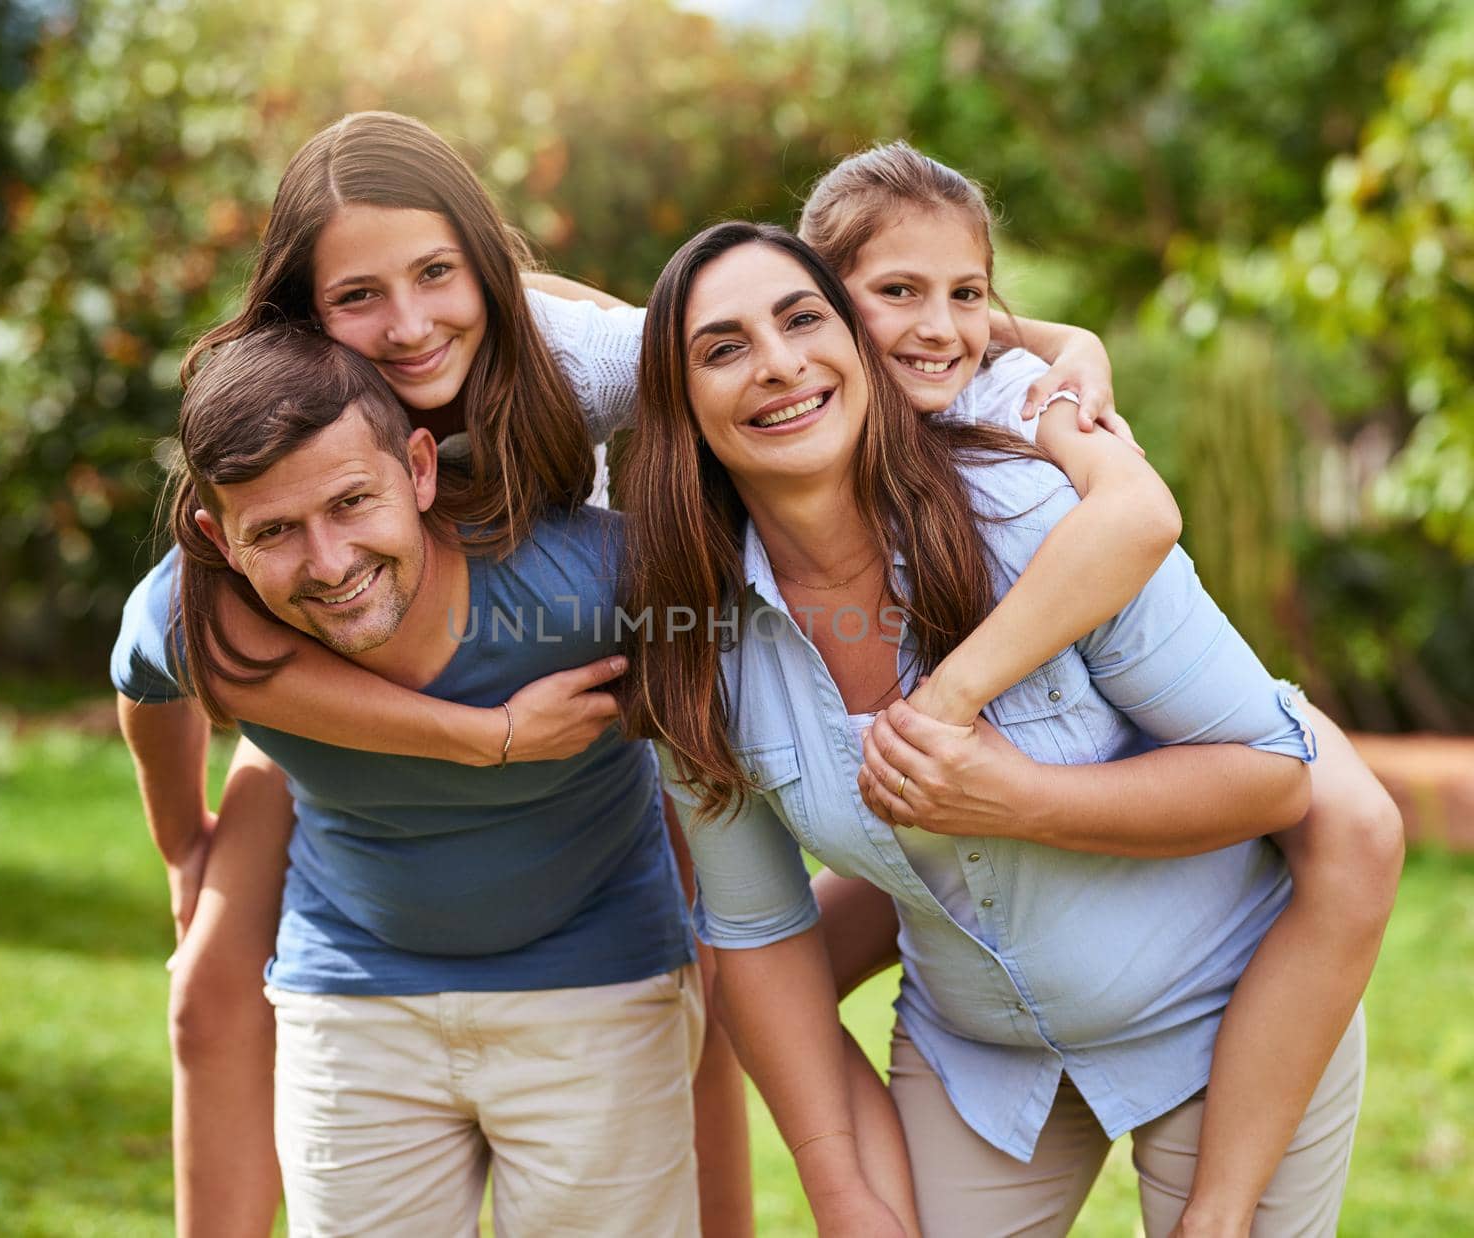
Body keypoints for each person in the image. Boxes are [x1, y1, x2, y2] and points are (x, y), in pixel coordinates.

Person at [116, 111, 1120, 1238]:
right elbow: (180, 642)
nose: (406, 326)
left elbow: (789, 331)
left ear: (484, 269)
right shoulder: (286, 431)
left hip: (602, 643)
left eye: (438, 273)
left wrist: (1049, 338)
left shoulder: (562, 353)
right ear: (304, 310)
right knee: (208, 989)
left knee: (697, 963)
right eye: (358, 297)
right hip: (365, 672)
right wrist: (185, 839)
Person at [618, 218, 1386, 1236]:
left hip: (1224, 1008)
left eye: (802, 319)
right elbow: (760, 934)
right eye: (721, 348)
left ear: (853, 345)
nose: (777, 363)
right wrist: (840, 1189)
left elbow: (1273, 777)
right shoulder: (688, 646)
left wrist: (1021, 797)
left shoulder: (1035, 512)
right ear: (680, 411)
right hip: (976, 1062)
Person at [115, 323, 706, 1234]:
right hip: (353, 998)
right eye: (273, 531)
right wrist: (181, 842)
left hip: (595, 986)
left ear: (420, 471)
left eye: (353, 502)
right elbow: (145, 686)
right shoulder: (192, 614)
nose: (329, 562)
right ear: (217, 540)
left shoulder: (589, 581)